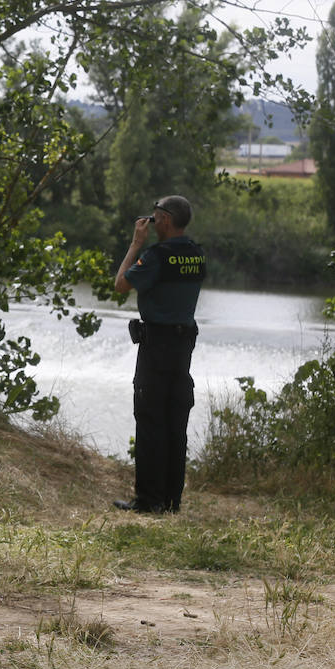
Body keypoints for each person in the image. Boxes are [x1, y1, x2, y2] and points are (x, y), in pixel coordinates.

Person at [111, 195, 205, 514]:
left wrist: (136, 245)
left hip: (157, 345)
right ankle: (171, 501)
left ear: (164, 220)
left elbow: (121, 285)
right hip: (183, 348)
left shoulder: (156, 256)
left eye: (154, 217)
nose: (150, 221)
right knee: (175, 421)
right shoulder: (196, 254)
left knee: (150, 419)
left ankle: (149, 500)